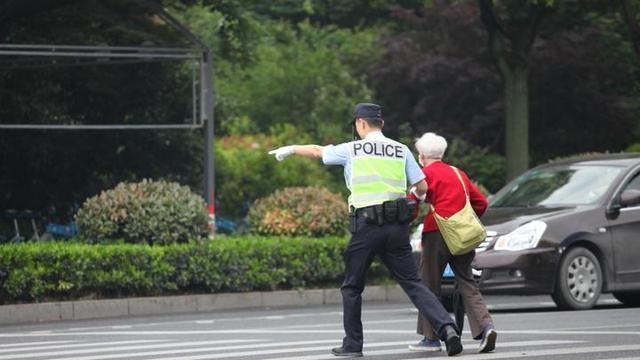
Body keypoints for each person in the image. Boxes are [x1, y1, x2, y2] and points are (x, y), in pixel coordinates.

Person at [269, 103, 463, 357]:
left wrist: (290, 149)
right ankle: (447, 328)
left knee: (352, 286)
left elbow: (318, 151)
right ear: (380, 124)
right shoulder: (400, 149)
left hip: (366, 226)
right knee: (413, 283)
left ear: (361, 123)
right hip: (396, 227)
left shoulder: (352, 149)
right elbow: (423, 186)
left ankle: (353, 345)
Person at [408, 132, 497, 353]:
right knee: (467, 280)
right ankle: (486, 327)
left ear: (421, 155)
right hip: (463, 235)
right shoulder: (458, 173)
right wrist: (464, 218)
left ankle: (432, 338)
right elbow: (481, 202)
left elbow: (412, 203)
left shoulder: (424, 174)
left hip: (436, 232)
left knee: (429, 284)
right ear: (441, 153)